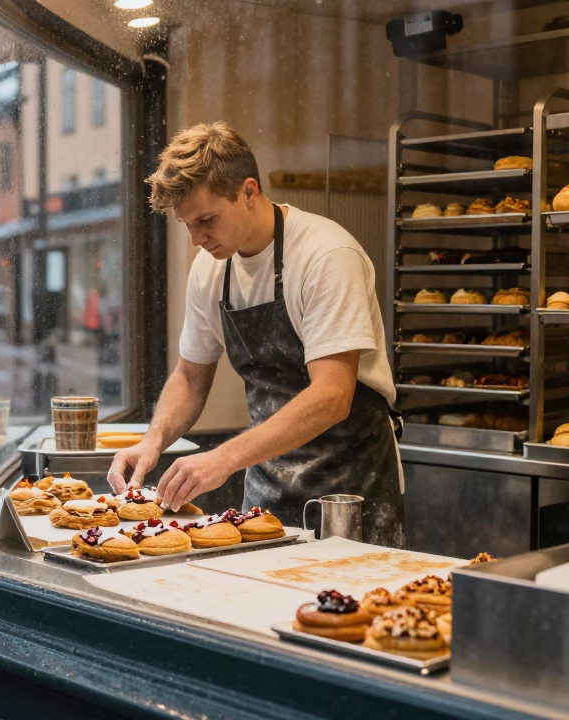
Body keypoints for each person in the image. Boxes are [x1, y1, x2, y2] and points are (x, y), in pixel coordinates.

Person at [107, 122, 405, 547]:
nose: (197, 239)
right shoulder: (211, 268)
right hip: (266, 485)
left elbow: (332, 397)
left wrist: (223, 459)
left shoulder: (326, 256)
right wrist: (152, 442)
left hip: (350, 488)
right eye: (187, 224)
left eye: (206, 219)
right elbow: (191, 376)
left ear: (248, 192)